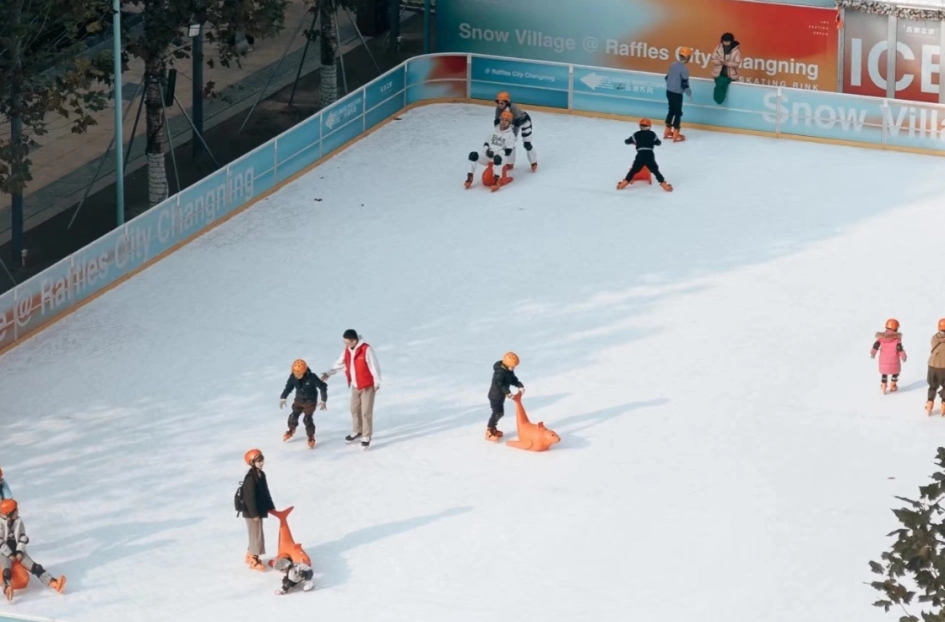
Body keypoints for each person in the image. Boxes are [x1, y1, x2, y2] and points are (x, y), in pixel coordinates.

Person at [321, 330, 382, 450]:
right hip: (355, 386)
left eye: (347, 342)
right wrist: (329, 373)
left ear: (354, 341)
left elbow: (374, 366)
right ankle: (357, 431)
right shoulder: (347, 350)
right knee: (354, 409)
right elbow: (339, 363)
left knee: (365, 412)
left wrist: (377, 382)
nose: (345, 344)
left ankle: (366, 436)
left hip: (367, 386)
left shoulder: (366, 349)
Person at [0, 499, 65, 601]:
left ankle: (54, 583)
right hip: (3, 552)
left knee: (35, 567)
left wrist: (19, 551)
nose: (18, 512)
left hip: (17, 549)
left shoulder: (18, 522)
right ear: (8, 513)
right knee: (6, 571)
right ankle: (7, 587)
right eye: (15, 510)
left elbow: (22, 537)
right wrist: (9, 554)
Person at [280, 359, 328, 449]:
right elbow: (288, 388)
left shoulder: (312, 377)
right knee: (293, 416)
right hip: (299, 400)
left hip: (310, 401)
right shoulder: (293, 377)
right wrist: (283, 397)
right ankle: (291, 430)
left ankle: (311, 437)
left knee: (307, 419)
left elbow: (323, 386)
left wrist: (323, 400)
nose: (298, 376)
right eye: (296, 374)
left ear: (305, 371)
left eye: (300, 374)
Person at [466, 110, 517, 191]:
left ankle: (497, 181)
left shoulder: (511, 135)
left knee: (497, 159)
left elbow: (508, 151)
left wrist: (496, 153)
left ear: (510, 123)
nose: (503, 122)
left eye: (506, 120)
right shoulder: (493, 130)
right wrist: (486, 150)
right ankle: (470, 177)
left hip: (500, 157)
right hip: (488, 155)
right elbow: (486, 143)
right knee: (473, 155)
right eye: (502, 119)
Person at [241, 449, 275, 571]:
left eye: (262, 460)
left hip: (258, 510)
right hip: (251, 512)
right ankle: (252, 558)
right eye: (258, 461)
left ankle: (250, 554)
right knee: (255, 534)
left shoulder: (261, 474)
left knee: (257, 533)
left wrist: (271, 506)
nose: (261, 463)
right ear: (251, 462)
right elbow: (250, 498)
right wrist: (254, 514)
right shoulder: (250, 478)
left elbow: (266, 492)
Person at [616, 119, 673, 192]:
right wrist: (652, 143)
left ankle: (623, 184)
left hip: (640, 154)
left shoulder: (636, 134)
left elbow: (627, 141)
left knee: (633, 170)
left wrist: (634, 142)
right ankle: (664, 185)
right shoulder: (652, 134)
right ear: (649, 126)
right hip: (649, 154)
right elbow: (658, 143)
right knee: (655, 170)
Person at [494, 91, 537, 171]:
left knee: (527, 144)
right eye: (499, 103)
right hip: (512, 123)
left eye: (502, 103)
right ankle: (510, 163)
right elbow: (496, 121)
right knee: (510, 144)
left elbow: (517, 122)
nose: (500, 105)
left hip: (524, 122)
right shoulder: (498, 109)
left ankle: (533, 162)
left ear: (507, 102)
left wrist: (513, 135)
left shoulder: (513, 107)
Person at [486, 352, 525, 442]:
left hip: (501, 395)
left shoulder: (508, 370)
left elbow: (512, 379)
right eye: (512, 367)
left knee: (500, 413)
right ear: (506, 365)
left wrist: (519, 385)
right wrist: (508, 392)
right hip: (495, 396)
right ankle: (489, 432)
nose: (513, 368)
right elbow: (500, 384)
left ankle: (493, 429)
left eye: (514, 367)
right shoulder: (499, 373)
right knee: (498, 413)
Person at [871, 318, 907, 394]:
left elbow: (876, 345)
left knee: (884, 372)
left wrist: (872, 353)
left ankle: (884, 384)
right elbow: (899, 348)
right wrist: (903, 357)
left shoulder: (881, 337)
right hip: (894, 360)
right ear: (896, 328)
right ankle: (893, 385)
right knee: (895, 372)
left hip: (883, 360)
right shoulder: (897, 339)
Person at [664, 47, 693, 142]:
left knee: (671, 110)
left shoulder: (672, 65)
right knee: (678, 113)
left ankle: (667, 130)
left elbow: (667, 77)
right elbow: (685, 84)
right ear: (688, 57)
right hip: (677, 93)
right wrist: (689, 94)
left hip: (669, 91)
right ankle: (676, 133)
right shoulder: (684, 69)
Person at [710, 33, 742, 104]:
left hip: (730, 75)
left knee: (723, 87)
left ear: (731, 41)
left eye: (728, 41)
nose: (726, 43)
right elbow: (713, 59)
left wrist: (727, 63)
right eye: (724, 41)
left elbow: (737, 63)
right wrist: (720, 62)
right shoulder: (718, 48)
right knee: (719, 87)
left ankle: (720, 100)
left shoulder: (736, 51)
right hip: (718, 74)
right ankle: (718, 100)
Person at [925, 319, 945, 415]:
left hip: (932, 365)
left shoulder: (934, 338)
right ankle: (944, 404)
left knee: (932, 386)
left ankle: (929, 403)